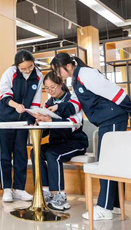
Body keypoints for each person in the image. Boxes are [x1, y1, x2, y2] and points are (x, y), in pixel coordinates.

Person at [51, 53, 131, 221]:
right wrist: (58, 108)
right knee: (110, 163)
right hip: (108, 120)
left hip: (113, 118)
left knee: (107, 163)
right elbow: (75, 105)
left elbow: (115, 92)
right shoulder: (76, 80)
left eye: (58, 70)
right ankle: (115, 205)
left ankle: (104, 208)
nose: (57, 74)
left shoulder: (87, 74)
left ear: (68, 66)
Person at [29, 71, 88, 212]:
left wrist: (50, 120)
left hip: (75, 142)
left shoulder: (73, 101)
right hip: (57, 143)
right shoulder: (48, 103)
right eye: (47, 88)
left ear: (61, 84)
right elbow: (47, 130)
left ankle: (61, 196)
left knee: (52, 154)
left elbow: (73, 125)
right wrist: (39, 122)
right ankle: (45, 192)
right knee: (35, 152)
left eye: (53, 87)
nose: (50, 91)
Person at [0, 50, 43, 203]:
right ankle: (6, 189)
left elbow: (36, 101)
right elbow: (4, 95)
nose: (27, 70)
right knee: (5, 155)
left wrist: (33, 117)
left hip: (23, 120)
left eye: (30, 66)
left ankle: (19, 189)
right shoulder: (10, 73)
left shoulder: (38, 75)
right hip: (6, 119)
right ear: (17, 66)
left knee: (21, 153)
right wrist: (16, 105)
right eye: (23, 68)